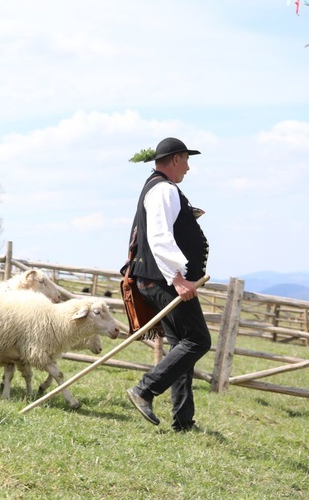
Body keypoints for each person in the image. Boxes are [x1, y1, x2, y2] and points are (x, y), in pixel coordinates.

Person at [123, 137, 211, 432]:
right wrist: (178, 279)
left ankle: (184, 422)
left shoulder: (161, 188)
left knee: (181, 347)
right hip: (165, 279)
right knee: (197, 341)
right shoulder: (163, 189)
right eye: (186, 160)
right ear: (176, 159)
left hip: (156, 277)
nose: (188, 167)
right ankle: (144, 390)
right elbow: (160, 237)